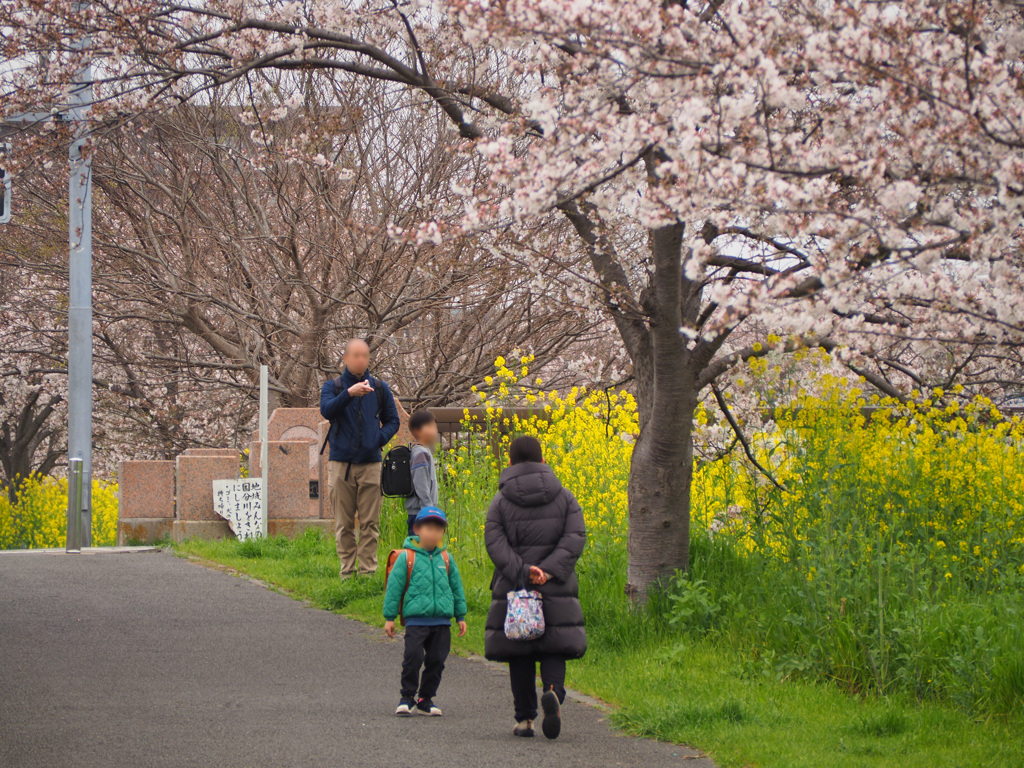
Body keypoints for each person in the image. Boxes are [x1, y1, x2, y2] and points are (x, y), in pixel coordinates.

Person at [484, 436, 586, 740]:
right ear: (543, 461)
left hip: (516, 589)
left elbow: (494, 542)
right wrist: (549, 571)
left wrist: (524, 571)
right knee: (554, 647)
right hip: (556, 587)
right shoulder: (565, 497)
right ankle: (553, 692)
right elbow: (575, 537)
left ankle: (525, 719)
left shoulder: (501, 501)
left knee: (521, 652)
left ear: (510, 464)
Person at [319, 338, 400, 578]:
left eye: (364, 355)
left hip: (371, 464)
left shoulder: (380, 387)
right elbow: (326, 410)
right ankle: (347, 572)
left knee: (370, 524)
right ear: (345, 358)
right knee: (344, 524)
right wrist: (349, 394)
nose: (361, 360)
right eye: (355, 355)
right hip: (341, 464)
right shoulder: (332, 387)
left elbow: (393, 420)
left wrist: (378, 439)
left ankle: (367, 573)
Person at [384, 507, 468, 717]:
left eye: (438, 529)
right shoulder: (407, 557)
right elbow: (394, 588)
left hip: (441, 621)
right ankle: (407, 696)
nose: (433, 533)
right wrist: (389, 617)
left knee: (437, 659)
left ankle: (426, 698)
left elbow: (456, 587)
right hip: (416, 620)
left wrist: (460, 615)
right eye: (429, 528)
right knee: (413, 657)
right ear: (417, 529)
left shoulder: (446, 559)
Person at [406, 410, 440, 536]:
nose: (434, 430)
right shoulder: (420, 453)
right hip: (420, 513)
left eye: (435, 427)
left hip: (421, 511)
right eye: (430, 426)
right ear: (416, 430)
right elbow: (420, 483)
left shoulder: (422, 451)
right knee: (420, 551)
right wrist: (429, 509)